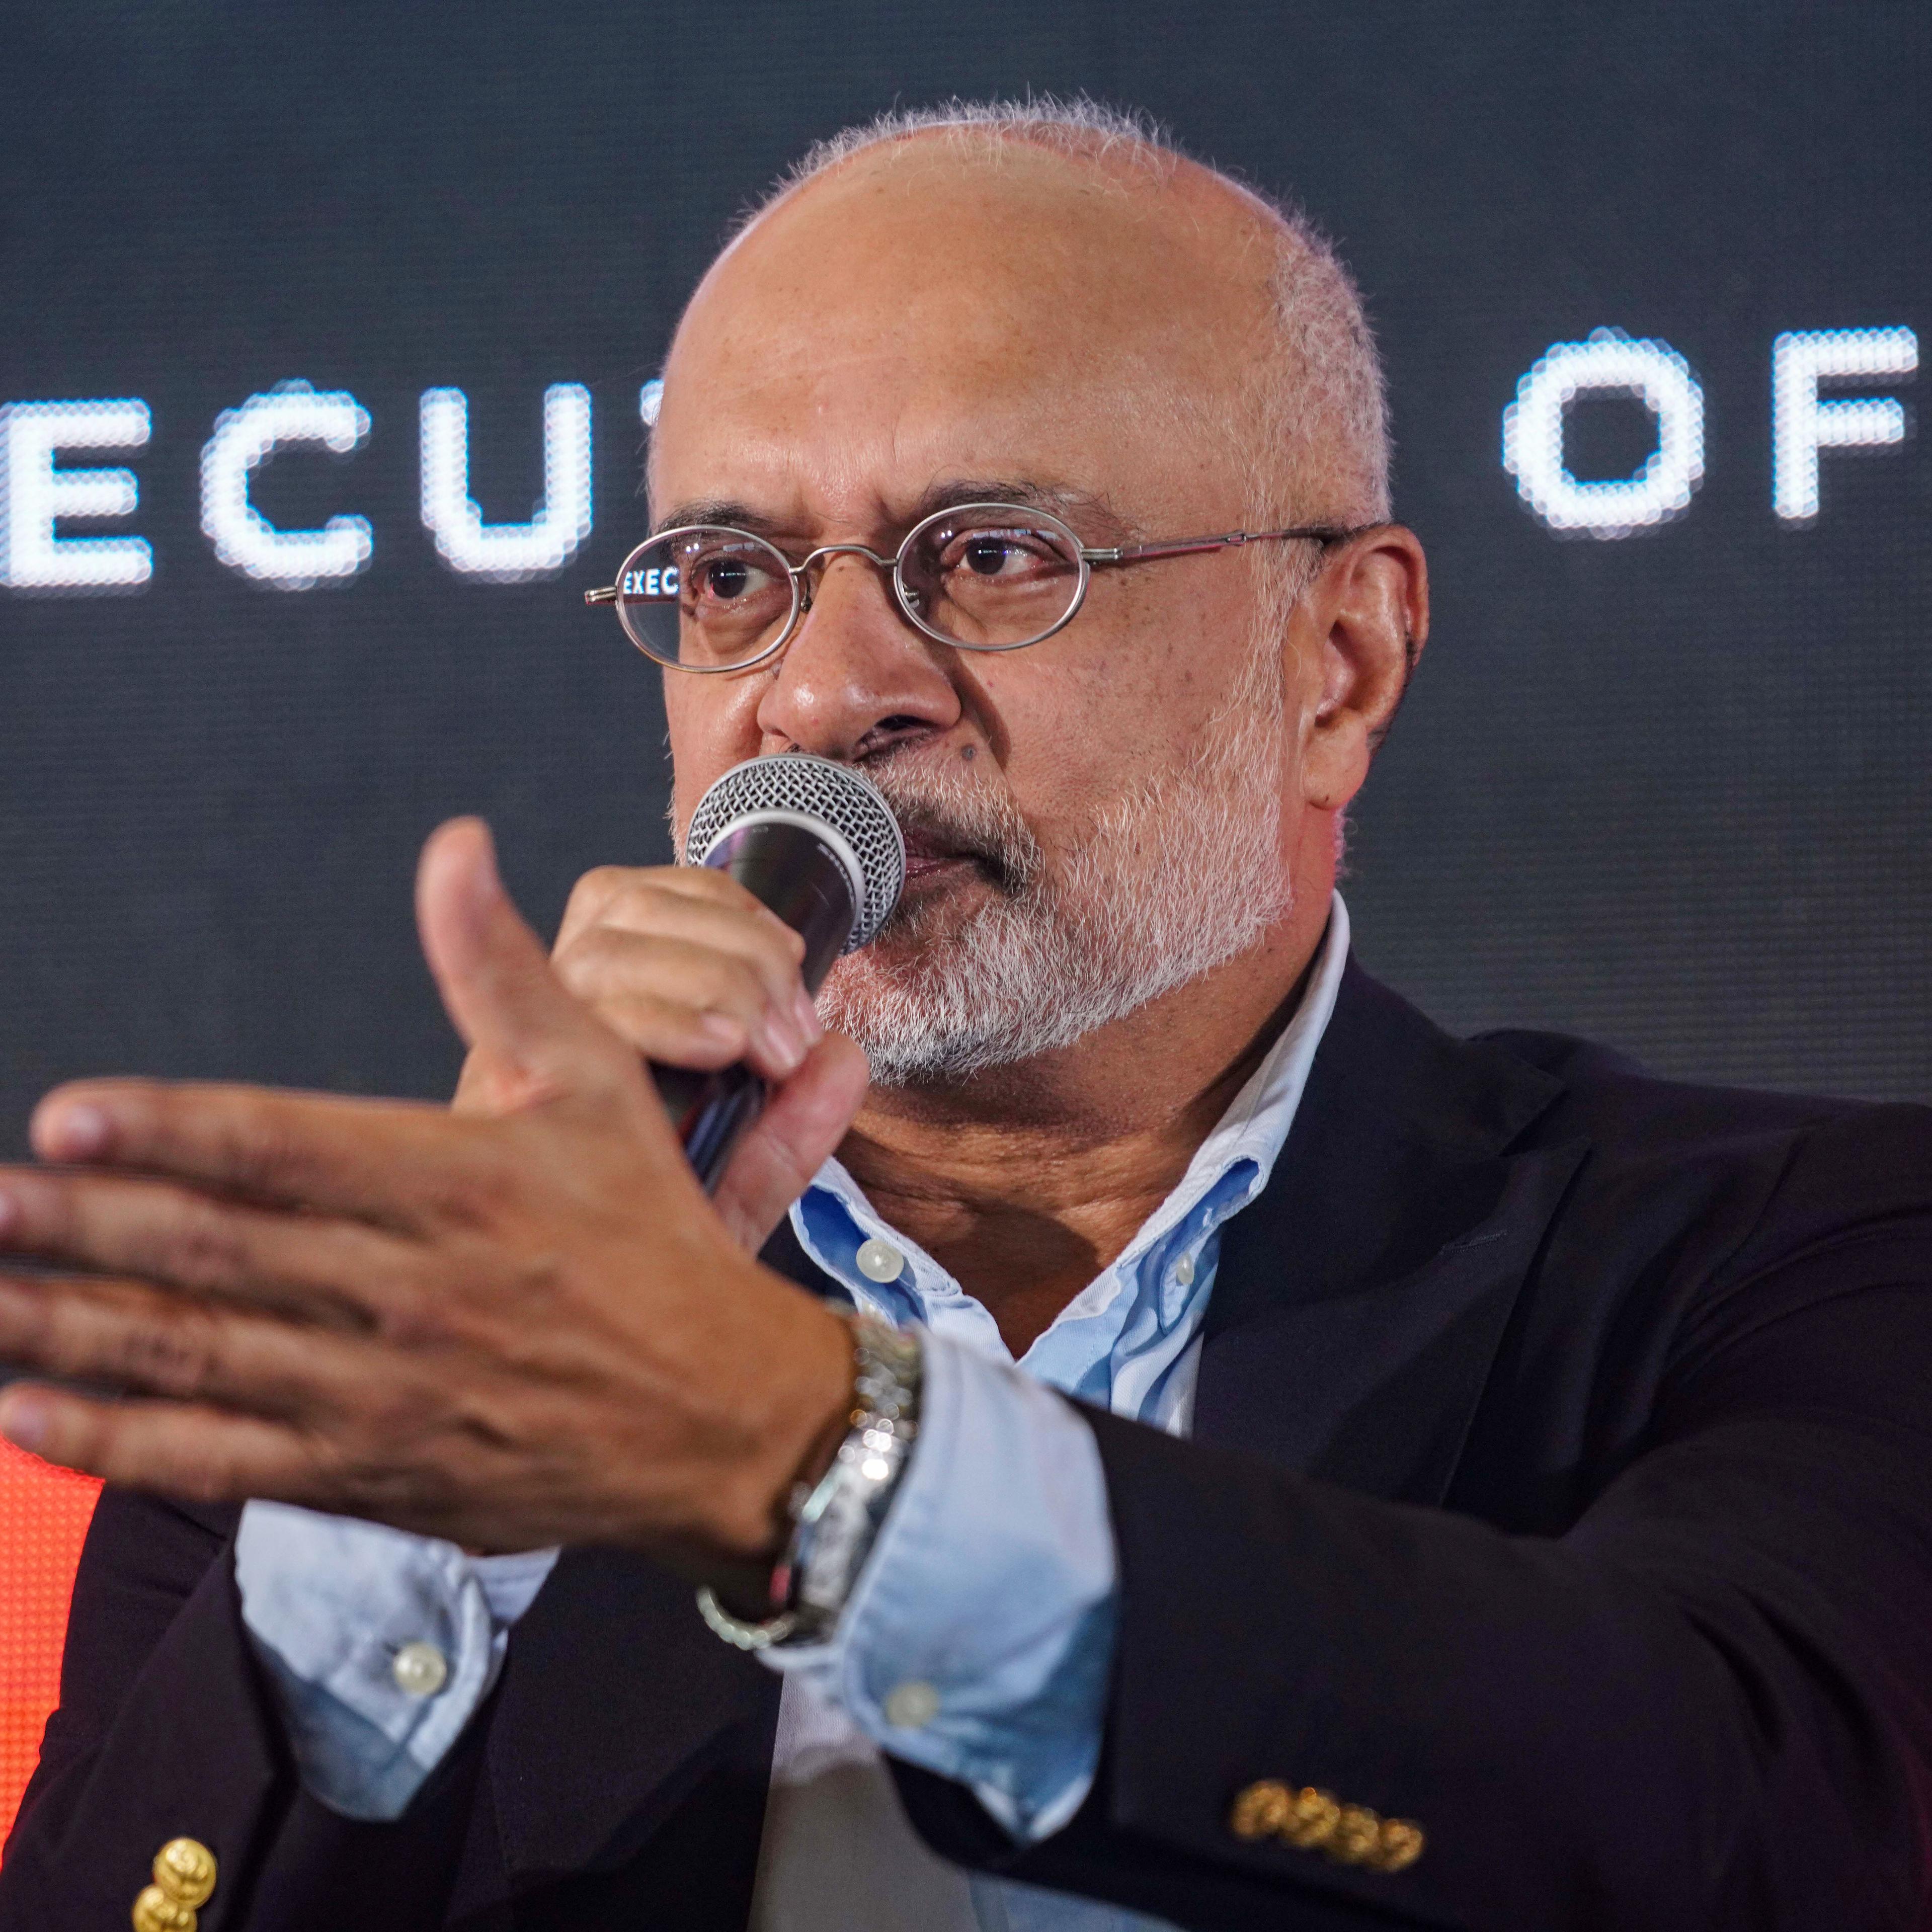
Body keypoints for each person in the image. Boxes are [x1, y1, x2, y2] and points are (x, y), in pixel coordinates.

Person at [1, 98, 1929, 1932]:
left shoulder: (1794, 1252)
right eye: (736, 578)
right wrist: (414, 1489)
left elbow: (1752, 1831)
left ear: (1339, 665)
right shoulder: (391, 1345)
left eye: (993, 555)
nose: (825, 695)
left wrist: (794, 1448)